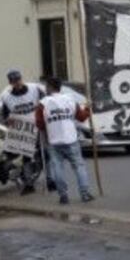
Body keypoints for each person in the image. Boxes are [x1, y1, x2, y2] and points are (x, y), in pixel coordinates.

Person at [35, 77, 93, 205]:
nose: (45, 88)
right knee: (79, 167)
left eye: (46, 86)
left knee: (57, 168)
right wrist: (88, 109)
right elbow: (82, 117)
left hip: (54, 141)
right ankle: (85, 194)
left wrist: (49, 126)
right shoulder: (70, 100)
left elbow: (39, 124)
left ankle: (63, 196)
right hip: (71, 139)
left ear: (50, 87)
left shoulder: (43, 104)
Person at [0, 69, 46, 194]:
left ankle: (33, 183)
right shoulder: (7, 96)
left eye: (18, 80)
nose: (17, 83)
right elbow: (5, 114)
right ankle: (7, 175)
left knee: (35, 155)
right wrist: (7, 121)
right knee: (9, 153)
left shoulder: (34, 89)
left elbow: (46, 101)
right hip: (20, 129)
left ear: (21, 79)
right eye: (13, 81)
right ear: (10, 83)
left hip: (36, 126)